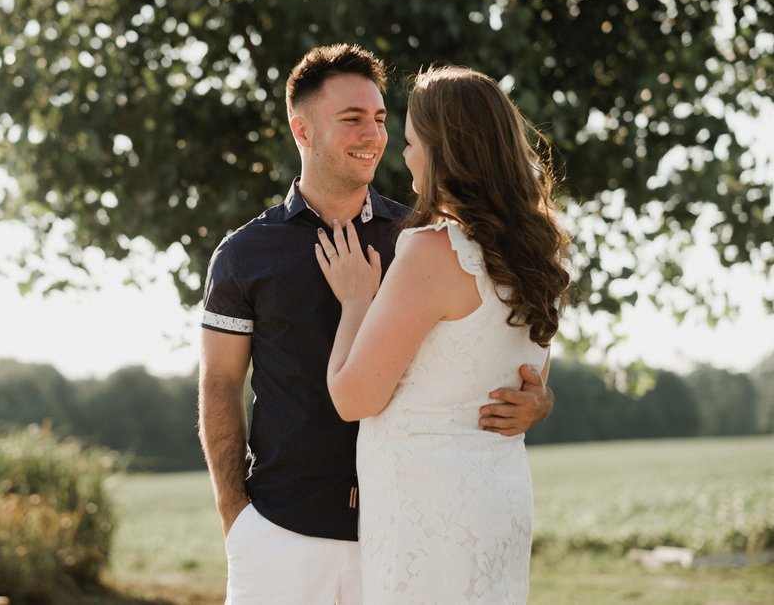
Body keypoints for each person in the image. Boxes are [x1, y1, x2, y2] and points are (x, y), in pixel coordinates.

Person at [198, 45, 554, 604]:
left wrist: (537, 402)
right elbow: (219, 382)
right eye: (352, 119)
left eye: (382, 119)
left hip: (400, 535)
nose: (374, 134)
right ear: (303, 129)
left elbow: (489, 345)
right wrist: (235, 516)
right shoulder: (245, 254)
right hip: (282, 535)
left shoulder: (421, 237)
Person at [314, 64, 571, 603]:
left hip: (429, 513)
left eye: (410, 142)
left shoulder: (433, 250)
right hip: (498, 502)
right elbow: (531, 381)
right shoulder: (536, 251)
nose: (403, 156)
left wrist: (357, 300)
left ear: (443, 149)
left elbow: (353, 396)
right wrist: (542, 404)